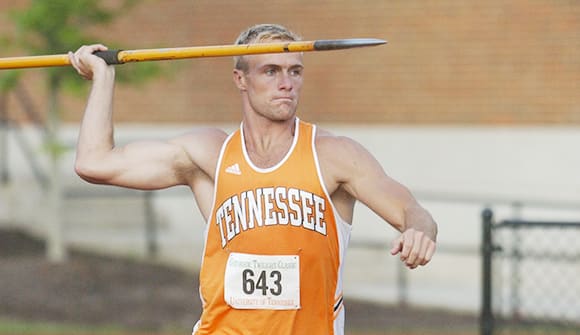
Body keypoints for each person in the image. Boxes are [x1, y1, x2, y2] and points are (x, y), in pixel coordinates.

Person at [69, 23, 437, 335]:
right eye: (271, 71)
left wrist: (418, 232)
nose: (286, 83)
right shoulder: (209, 154)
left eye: (295, 70)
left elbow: (412, 211)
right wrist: (103, 78)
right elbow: (94, 162)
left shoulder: (335, 154)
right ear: (240, 79)